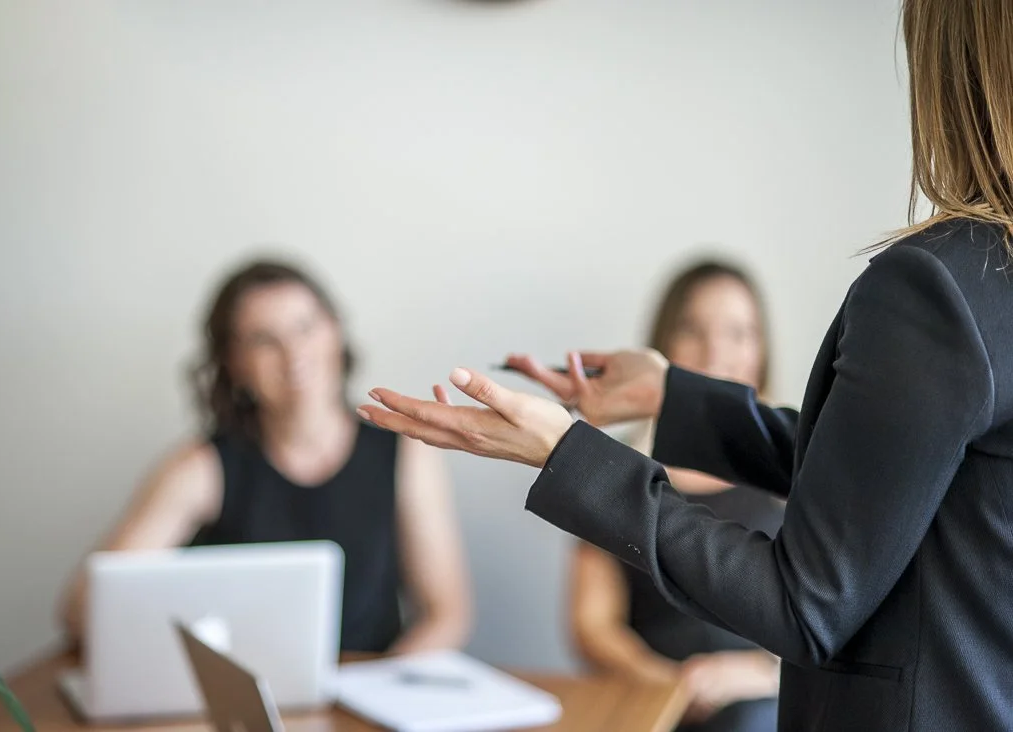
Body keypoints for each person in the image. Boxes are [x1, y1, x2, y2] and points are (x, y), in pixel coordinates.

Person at [356, 2, 1013, 729]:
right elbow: (895, 480)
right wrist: (674, 400)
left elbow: (806, 604)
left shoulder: (942, 285)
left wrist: (567, 454)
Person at [60, 259, 472, 655]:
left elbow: (447, 615)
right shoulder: (200, 468)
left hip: (368, 701)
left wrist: (378, 694)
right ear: (233, 363)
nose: (293, 354)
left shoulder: (407, 455)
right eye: (263, 340)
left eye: (305, 328)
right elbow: (83, 612)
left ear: (336, 330)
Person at [572, 261, 782, 732]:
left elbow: (839, 625)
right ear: (662, 342)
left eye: (739, 332)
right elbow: (592, 625)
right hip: (651, 702)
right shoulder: (616, 471)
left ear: (762, 349)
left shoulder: (796, 473)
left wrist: (761, 674)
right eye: (693, 329)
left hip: (765, 705)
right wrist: (675, 687)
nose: (715, 351)